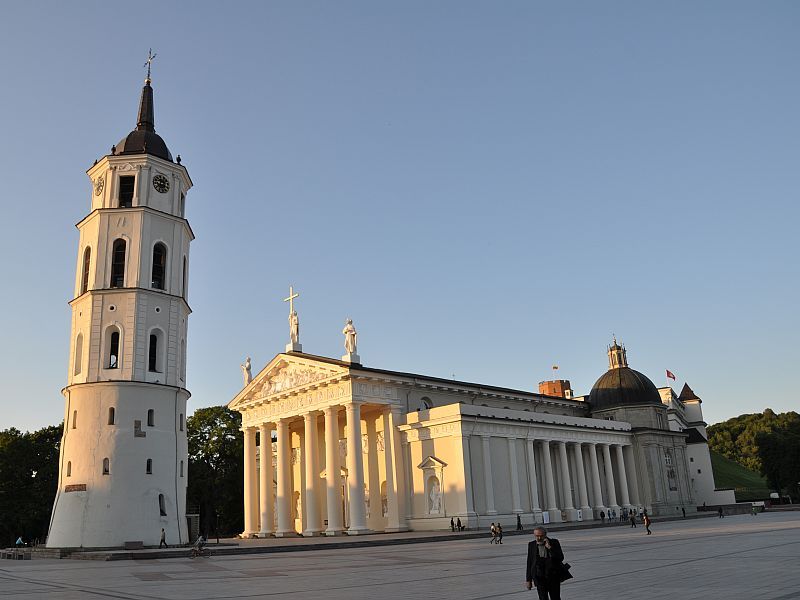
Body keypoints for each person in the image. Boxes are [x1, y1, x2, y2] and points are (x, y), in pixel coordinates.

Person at [526, 527, 570, 600]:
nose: (539, 538)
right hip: (539, 577)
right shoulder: (532, 545)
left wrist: (550, 548)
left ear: (545, 535)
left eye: (541, 536)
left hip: (553, 577)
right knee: (543, 598)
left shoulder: (554, 542)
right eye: (537, 536)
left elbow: (560, 558)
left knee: (555, 597)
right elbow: (529, 562)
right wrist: (528, 580)